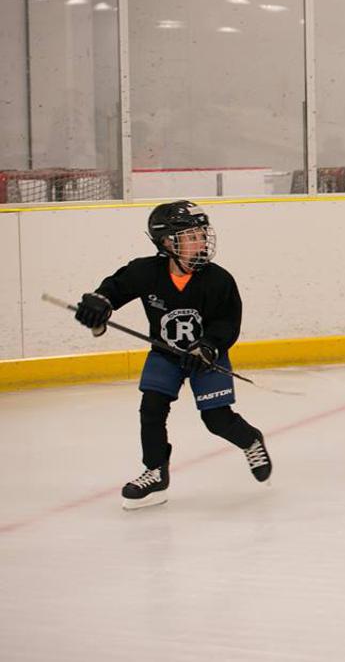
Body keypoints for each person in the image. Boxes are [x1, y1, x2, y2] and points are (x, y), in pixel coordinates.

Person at [73, 200, 272, 509]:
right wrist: (99, 303)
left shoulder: (219, 280)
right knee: (151, 409)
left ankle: (251, 440)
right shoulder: (145, 271)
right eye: (191, 236)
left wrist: (208, 347)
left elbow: (227, 323)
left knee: (216, 419)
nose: (201, 242)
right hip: (166, 355)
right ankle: (155, 472)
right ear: (166, 242)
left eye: (202, 234)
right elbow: (115, 288)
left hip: (206, 357)